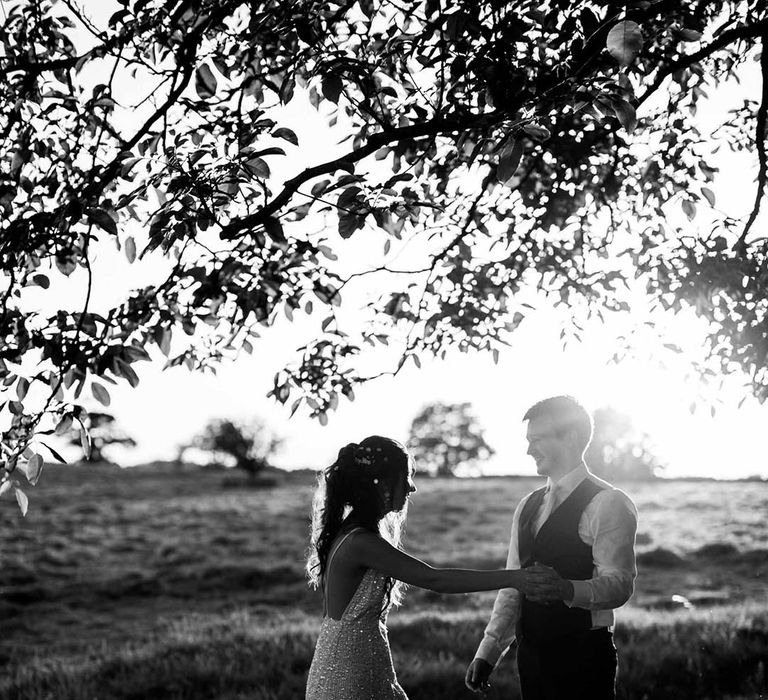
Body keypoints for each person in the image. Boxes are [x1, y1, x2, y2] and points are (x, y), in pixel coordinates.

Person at [305, 435, 553, 700]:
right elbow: (436, 580)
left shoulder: (351, 533)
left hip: (355, 662)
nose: (411, 488)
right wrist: (515, 578)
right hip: (348, 673)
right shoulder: (360, 542)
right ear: (383, 483)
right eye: (407, 477)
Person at [465, 396, 638, 700]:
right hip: (531, 661)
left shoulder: (608, 503)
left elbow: (620, 585)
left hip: (585, 660)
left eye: (537, 439)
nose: (529, 449)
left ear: (570, 438)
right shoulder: (527, 505)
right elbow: (511, 585)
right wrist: (488, 651)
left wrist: (566, 589)